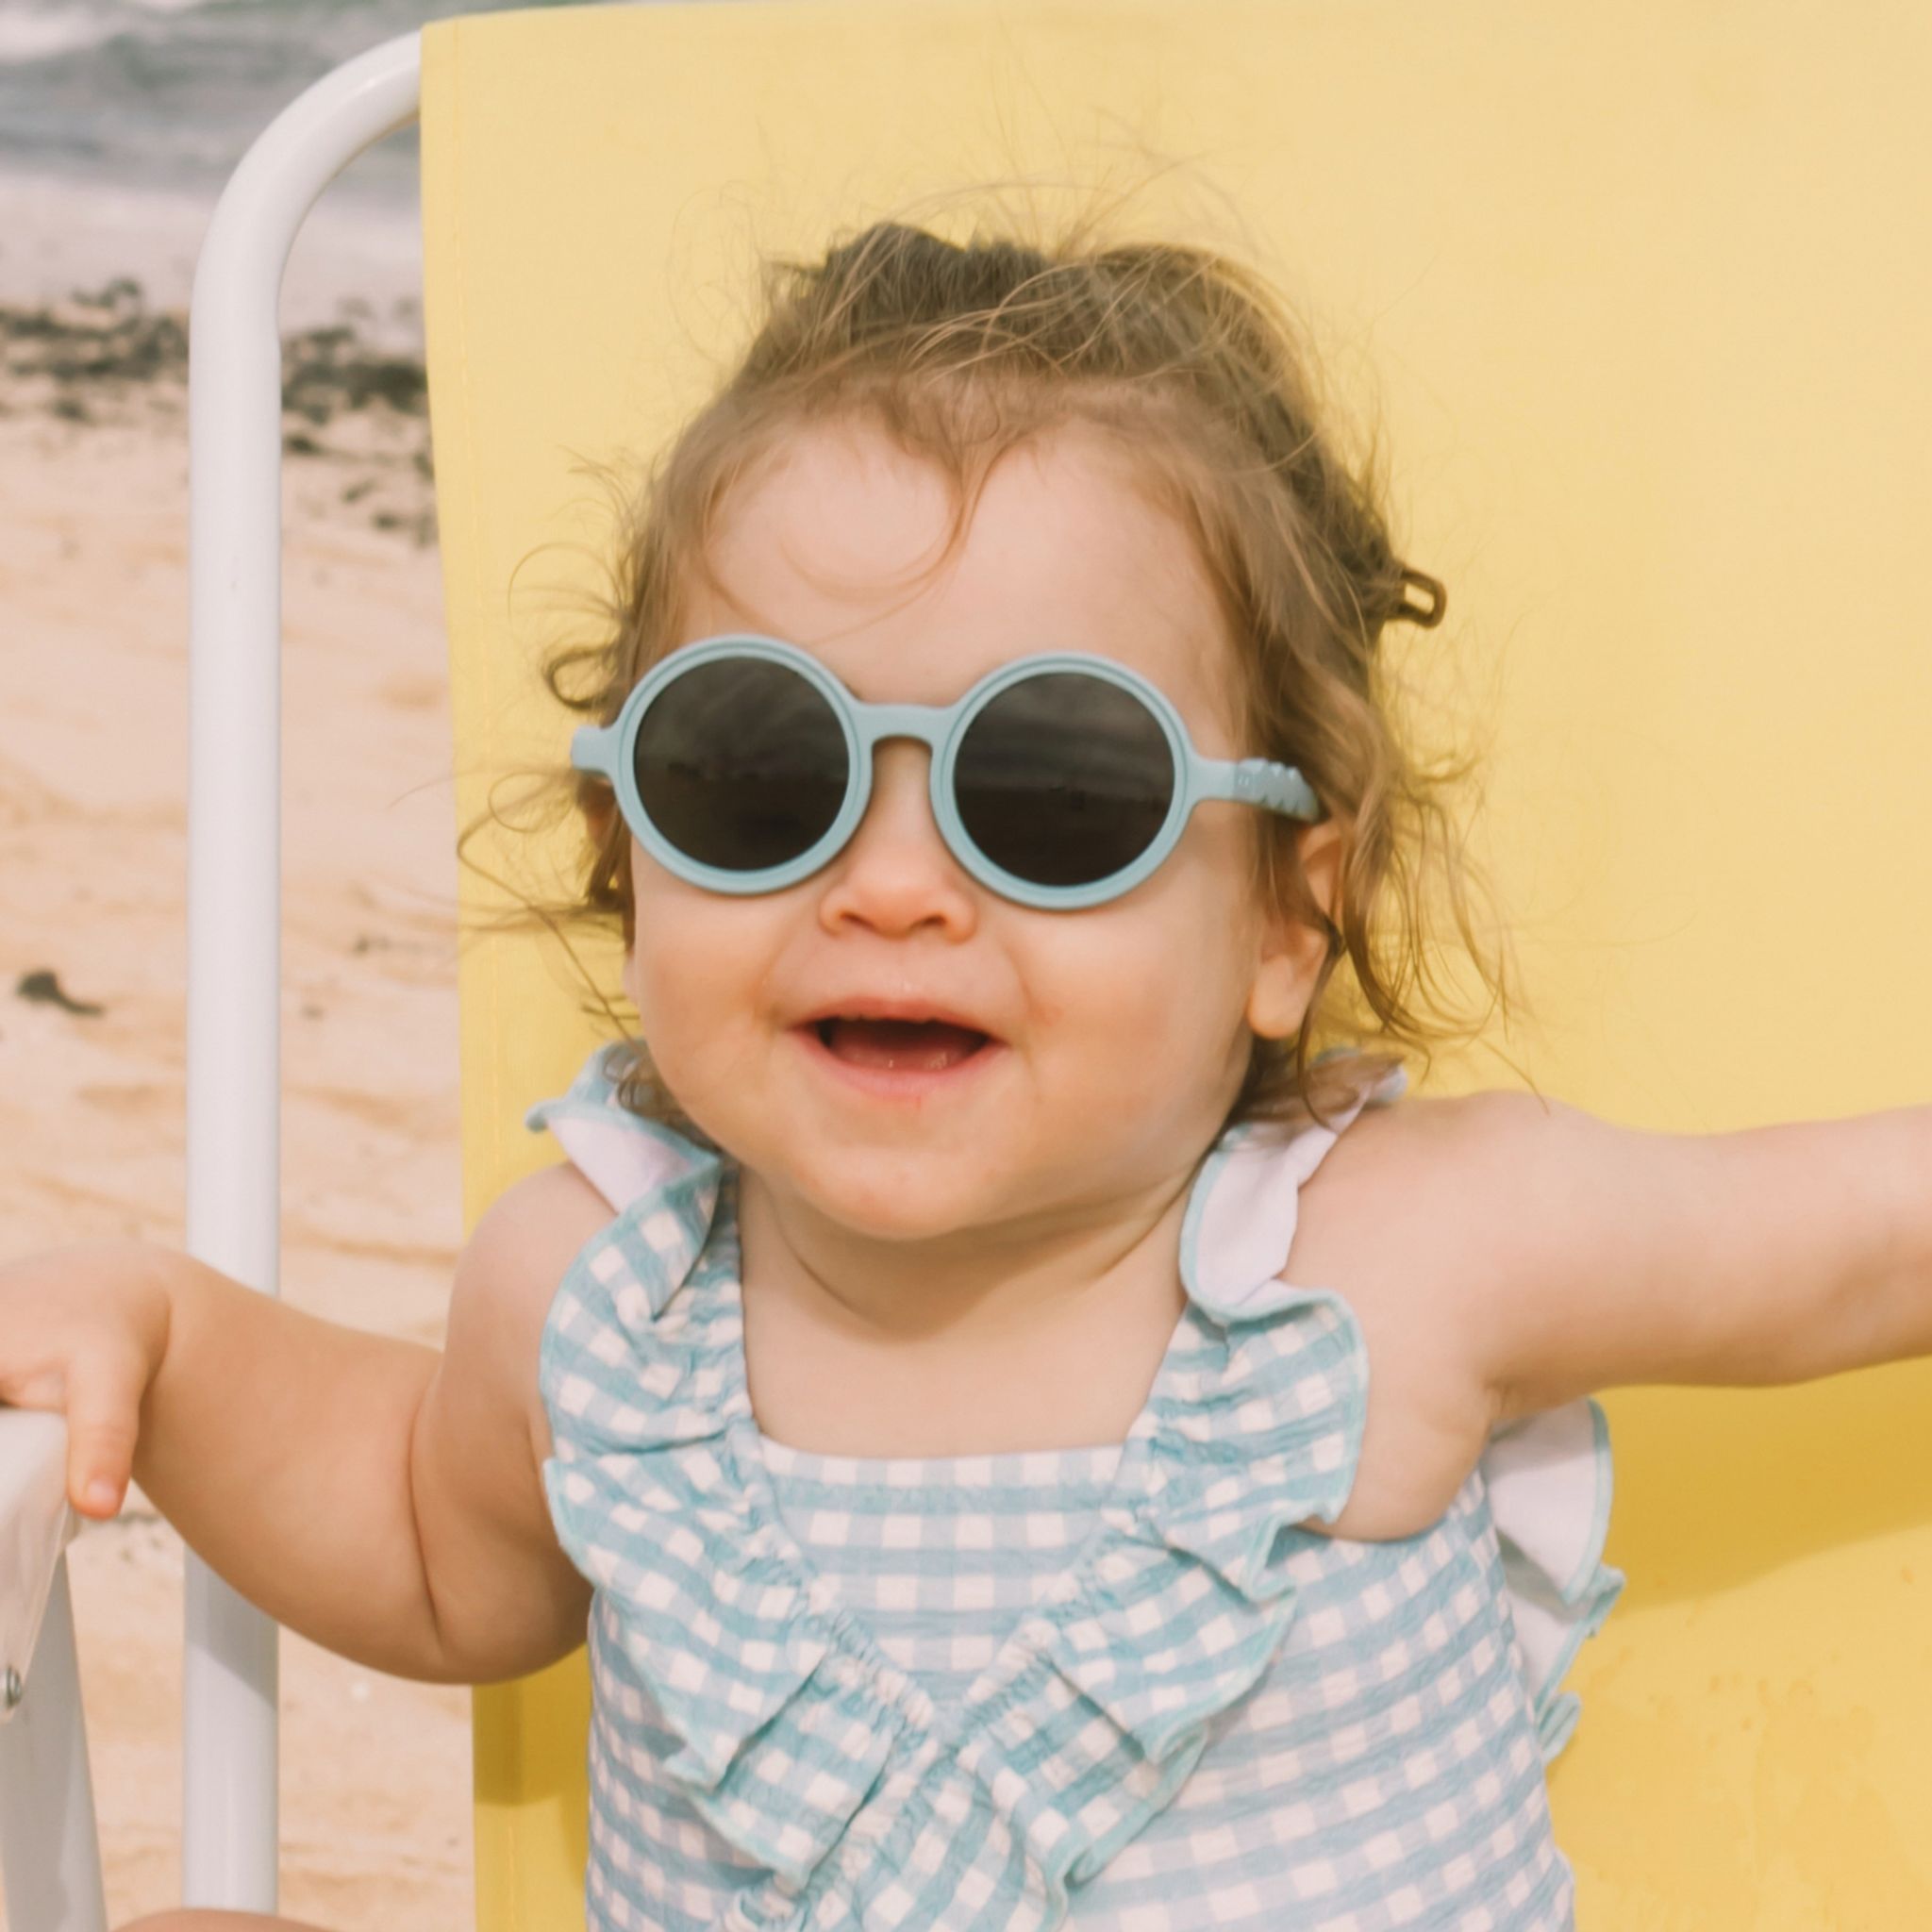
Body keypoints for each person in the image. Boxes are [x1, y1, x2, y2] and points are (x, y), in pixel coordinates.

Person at [6, 217, 1927, 1932]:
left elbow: (1851, 1246)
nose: (897, 886)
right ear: (630, 862)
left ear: (1283, 919)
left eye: (1055, 792)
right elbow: (434, 1552)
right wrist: (166, 1337)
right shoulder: (596, 1297)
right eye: (759, 773)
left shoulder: (1411, 1253)